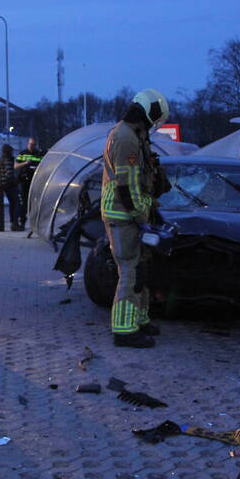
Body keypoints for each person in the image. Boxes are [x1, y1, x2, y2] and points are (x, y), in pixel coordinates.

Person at [100, 89, 171, 348]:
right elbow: (126, 185)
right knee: (129, 271)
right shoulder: (125, 137)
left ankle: (139, 320)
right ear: (149, 113)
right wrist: (141, 218)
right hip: (123, 215)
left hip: (134, 214)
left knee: (141, 270)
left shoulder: (135, 135)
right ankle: (124, 331)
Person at [13, 137, 44, 230]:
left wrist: (37, 168)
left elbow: (44, 165)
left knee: (35, 202)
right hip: (23, 181)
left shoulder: (39, 154)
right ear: (27, 144)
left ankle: (36, 223)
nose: (32, 146)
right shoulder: (22, 153)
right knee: (24, 203)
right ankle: (22, 222)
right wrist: (25, 163)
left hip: (35, 181)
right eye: (30, 144)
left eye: (33, 145)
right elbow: (15, 166)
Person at [0, 144, 19, 231]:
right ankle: (14, 224)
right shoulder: (8, 160)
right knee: (16, 203)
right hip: (8, 185)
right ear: (9, 152)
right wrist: (16, 182)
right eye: (11, 151)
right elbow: (9, 175)